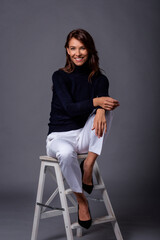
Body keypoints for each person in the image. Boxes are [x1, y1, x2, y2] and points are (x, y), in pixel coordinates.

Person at [46, 29, 119, 229]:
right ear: (67, 51)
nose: (78, 53)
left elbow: (106, 102)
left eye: (82, 48)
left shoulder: (99, 79)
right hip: (59, 137)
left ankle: (88, 165)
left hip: (83, 136)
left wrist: (102, 110)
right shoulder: (59, 76)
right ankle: (81, 200)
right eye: (73, 48)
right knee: (66, 152)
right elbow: (70, 108)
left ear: (90, 50)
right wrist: (98, 103)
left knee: (108, 111)